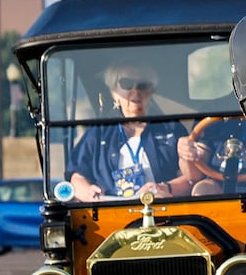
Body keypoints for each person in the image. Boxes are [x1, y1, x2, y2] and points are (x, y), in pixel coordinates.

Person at [66, 62, 202, 201]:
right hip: (110, 213)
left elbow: (190, 179)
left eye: (144, 85)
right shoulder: (98, 132)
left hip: (161, 210)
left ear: (152, 92)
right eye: (126, 83)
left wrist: (164, 187)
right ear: (114, 92)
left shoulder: (171, 128)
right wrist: (89, 192)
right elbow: (77, 177)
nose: (136, 91)